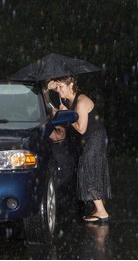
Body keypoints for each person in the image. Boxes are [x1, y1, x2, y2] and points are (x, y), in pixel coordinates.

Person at [47, 76, 111, 223]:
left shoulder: (81, 102)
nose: (58, 90)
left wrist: (67, 116)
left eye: (61, 87)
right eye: (57, 88)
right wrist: (51, 86)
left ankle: (102, 211)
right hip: (90, 139)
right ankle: (98, 208)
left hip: (95, 138)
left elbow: (81, 128)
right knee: (89, 169)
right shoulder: (71, 101)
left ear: (71, 86)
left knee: (88, 169)